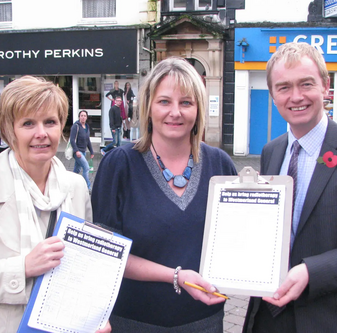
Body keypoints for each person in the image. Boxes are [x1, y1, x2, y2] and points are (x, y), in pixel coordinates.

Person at [242, 42, 337, 333]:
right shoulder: (271, 152)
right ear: (273, 95)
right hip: (269, 314)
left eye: (306, 84)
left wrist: (313, 272)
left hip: (335, 319)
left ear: (326, 87)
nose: (296, 96)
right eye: (284, 87)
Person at [0, 76, 111, 333]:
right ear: (9, 131)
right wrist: (23, 268)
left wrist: (93, 314)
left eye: (50, 122)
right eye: (28, 123)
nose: (41, 133)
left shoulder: (75, 187)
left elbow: (80, 269)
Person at [92, 57, 237, 332]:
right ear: (148, 107)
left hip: (204, 322)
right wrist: (176, 276)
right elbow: (105, 254)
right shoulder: (119, 165)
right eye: (164, 102)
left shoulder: (221, 165)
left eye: (186, 102)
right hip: (134, 323)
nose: (175, 112)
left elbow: (235, 242)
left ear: (198, 110)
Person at [70, 110, 95, 190]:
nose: (83, 117)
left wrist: (91, 151)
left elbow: (88, 140)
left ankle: (71, 185)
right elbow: (72, 140)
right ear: (79, 117)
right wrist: (76, 151)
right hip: (77, 152)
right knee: (86, 167)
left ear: (86, 117)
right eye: (81, 115)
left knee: (77, 170)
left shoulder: (87, 127)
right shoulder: (76, 126)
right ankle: (87, 187)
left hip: (83, 152)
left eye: (84, 116)